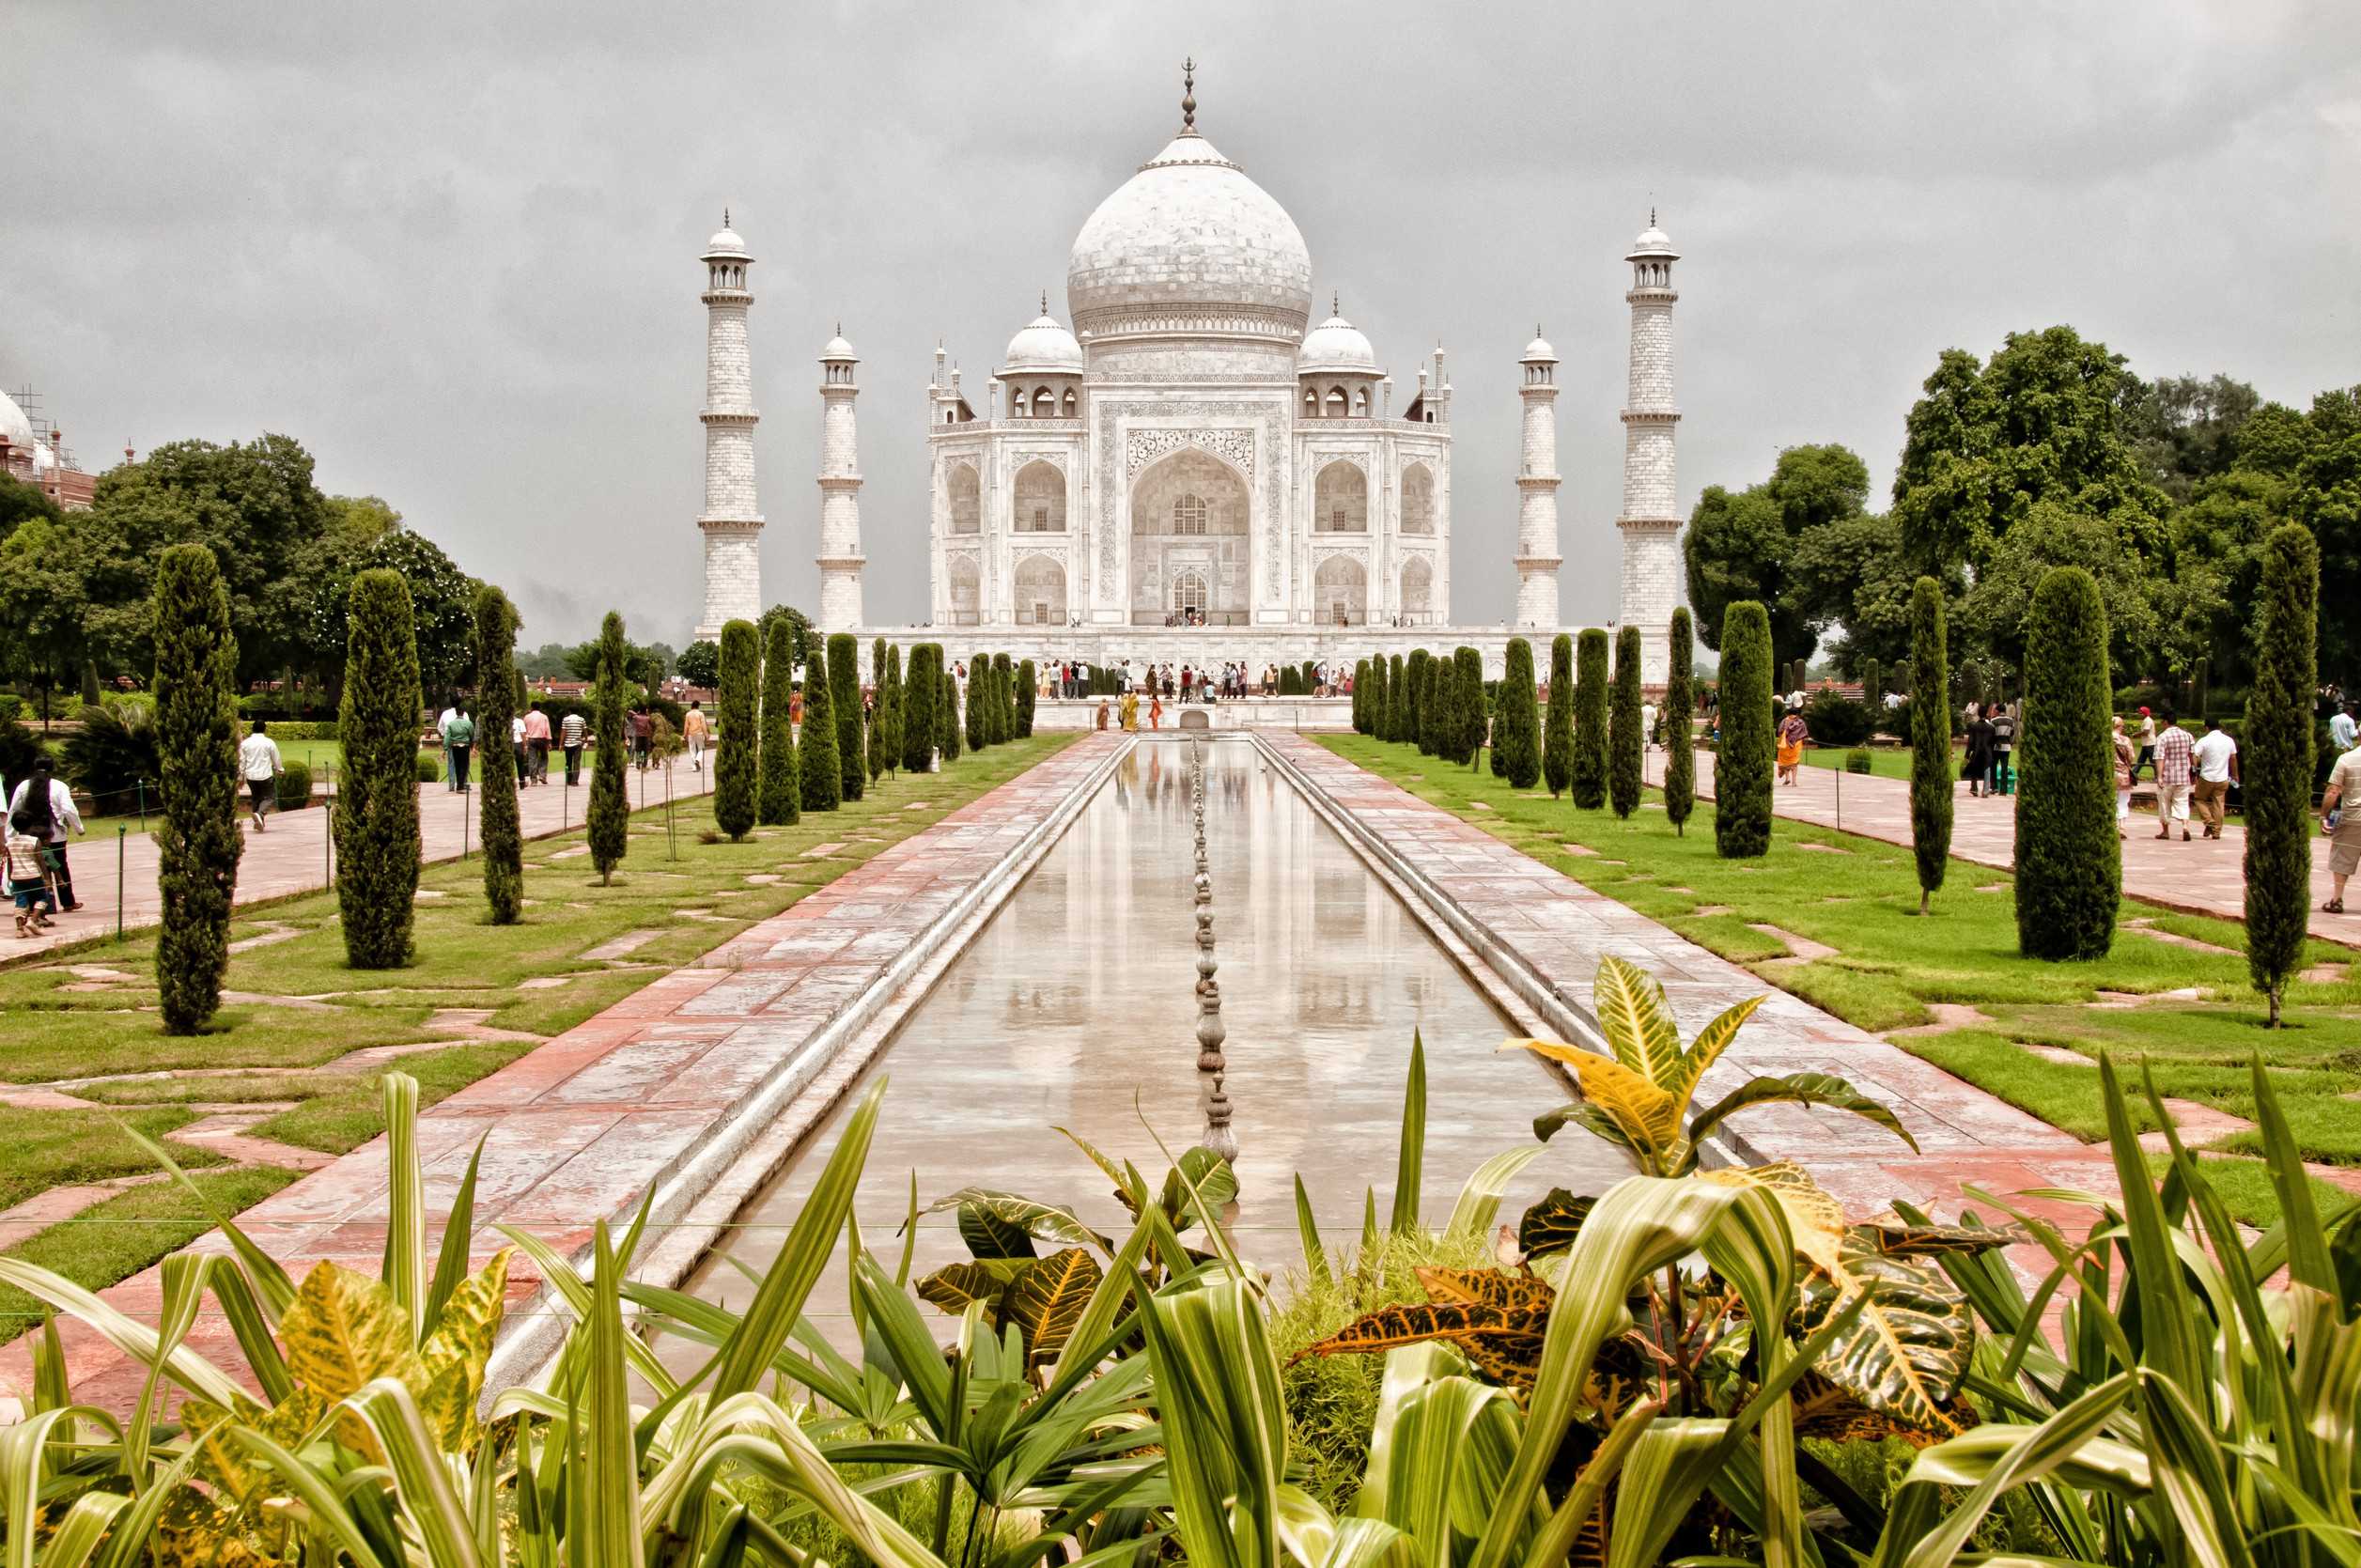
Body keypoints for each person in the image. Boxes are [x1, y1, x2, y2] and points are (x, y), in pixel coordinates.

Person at [8, 758, 83, 911]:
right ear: (52, 768)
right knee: (61, 867)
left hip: (31, 835)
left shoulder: (24, 786)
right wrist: (79, 828)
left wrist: (10, 835)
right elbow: (69, 809)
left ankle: (44, 905)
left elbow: (14, 810)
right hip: (55, 835)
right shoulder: (60, 786)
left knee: (38, 870)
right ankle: (68, 902)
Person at [2323, 739, 2361, 913]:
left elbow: (2333, 791)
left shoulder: (2346, 759)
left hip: (2352, 816)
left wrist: (2325, 815)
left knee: (2342, 858)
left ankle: (2337, 899)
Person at [6, 810, 56, 938]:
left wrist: (11, 876)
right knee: (43, 897)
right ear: (31, 826)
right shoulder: (34, 841)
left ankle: (19, 929)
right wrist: (46, 878)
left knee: (20, 901)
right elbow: (40, 861)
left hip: (17, 877)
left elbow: (10, 862)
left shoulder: (10, 842)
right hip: (33, 875)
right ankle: (32, 921)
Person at [2191, 716, 2239, 839]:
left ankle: (2209, 822)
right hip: (2223, 778)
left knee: (2199, 799)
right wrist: (2235, 775)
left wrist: (2194, 770)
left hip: (2207, 776)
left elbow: (2194, 756)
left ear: (2206, 727)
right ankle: (2216, 831)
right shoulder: (2229, 740)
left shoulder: (2204, 740)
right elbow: (2233, 758)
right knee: (2219, 804)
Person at [2151, 706, 2194, 841]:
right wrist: (2193, 771)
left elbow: (2160, 757)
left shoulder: (2163, 737)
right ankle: (2185, 827)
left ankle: (2165, 831)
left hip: (2168, 776)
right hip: (2183, 776)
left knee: (2164, 803)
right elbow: (2192, 755)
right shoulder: (2187, 736)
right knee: (2183, 802)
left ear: (2165, 722)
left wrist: (2159, 776)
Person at [238, 719, 283, 833]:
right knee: (270, 797)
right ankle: (260, 814)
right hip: (265, 775)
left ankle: (259, 823)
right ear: (264, 729)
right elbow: (275, 758)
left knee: (256, 798)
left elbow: (242, 760)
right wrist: (280, 769)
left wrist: (240, 774)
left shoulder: (245, 743)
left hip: (251, 776)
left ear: (252, 729)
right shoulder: (269, 742)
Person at [2111, 715, 2138, 839]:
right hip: (2124, 774)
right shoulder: (2125, 740)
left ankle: (2113, 825)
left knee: (2111, 800)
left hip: (2110, 773)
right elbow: (2131, 757)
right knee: (2123, 800)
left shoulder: (2106, 739)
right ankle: (2122, 826)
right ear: (2120, 726)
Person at [1964, 704, 1996, 798]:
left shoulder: (1974, 726)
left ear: (1978, 713)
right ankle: (1985, 791)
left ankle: (1974, 788)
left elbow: (1971, 742)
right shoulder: (1991, 728)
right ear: (1986, 714)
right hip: (1987, 752)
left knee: (1974, 768)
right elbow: (1993, 742)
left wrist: (1967, 754)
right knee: (1987, 770)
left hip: (1977, 751)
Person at [1990, 701, 2017, 796]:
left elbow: (1991, 735)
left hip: (1996, 747)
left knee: (1993, 766)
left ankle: (1994, 788)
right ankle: (2003, 790)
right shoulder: (2011, 721)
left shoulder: (1993, 721)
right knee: (2004, 768)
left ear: (1998, 711)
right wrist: (2011, 743)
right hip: (2007, 746)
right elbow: (2012, 734)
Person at [445, 705, 474, 792]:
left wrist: (445, 747)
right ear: (463, 713)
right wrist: (472, 746)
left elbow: (447, 737)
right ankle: (461, 786)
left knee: (457, 765)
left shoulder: (451, 724)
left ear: (456, 713)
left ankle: (459, 784)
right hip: (464, 746)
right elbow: (471, 735)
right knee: (464, 765)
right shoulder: (468, 723)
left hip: (455, 746)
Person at [1776, 710, 1809, 786]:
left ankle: (1787, 778)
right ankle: (1794, 782)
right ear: (1796, 714)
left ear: (1788, 714)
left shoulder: (1784, 721)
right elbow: (1804, 732)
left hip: (1785, 744)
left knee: (1785, 762)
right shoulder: (1800, 722)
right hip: (1796, 744)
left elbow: (1779, 731)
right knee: (1794, 763)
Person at [436, 699, 462, 789]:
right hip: (462, 741)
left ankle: (451, 785)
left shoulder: (445, 713)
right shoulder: (464, 713)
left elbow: (440, 727)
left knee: (451, 763)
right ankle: (461, 785)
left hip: (451, 741)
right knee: (462, 763)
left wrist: (445, 735)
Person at [523, 703, 551, 784]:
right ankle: (542, 775)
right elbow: (547, 729)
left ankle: (533, 779)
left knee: (532, 759)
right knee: (544, 757)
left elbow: (524, 730)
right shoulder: (544, 716)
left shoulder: (527, 717)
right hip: (542, 739)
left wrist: (525, 741)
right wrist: (549, 741)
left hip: (531, 739)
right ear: (539, 707)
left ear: (531, 707)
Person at [559, 707, 586, 786]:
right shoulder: (581, 719)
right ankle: (575, 781)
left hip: (568, 744)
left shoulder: (566, 719)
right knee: (576, 762)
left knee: (568, 762)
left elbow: (563, 732)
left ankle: (568, 780)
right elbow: (585, 730)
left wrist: (561, 744)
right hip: (577, 743)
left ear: (569, 711)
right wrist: (586, 739)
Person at [682, 701, 708, 772]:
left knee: (692, 750)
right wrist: (706, 734)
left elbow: (686, 726)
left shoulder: (688, 714)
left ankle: (694, 767)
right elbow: (703, 725)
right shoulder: (700, 714)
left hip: (691, 734)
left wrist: (685, 734)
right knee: (701, 749)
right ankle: (698, 760)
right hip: (699, 733)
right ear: (698, 706)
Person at [2135, 706, 2158, 782]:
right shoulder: (2146, 720)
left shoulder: (2147, 720)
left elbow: (2146, 732)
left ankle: (2157, 776)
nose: (2139, 714)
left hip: (2150, 744)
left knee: (2153, 761)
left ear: (2145, 713)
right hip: (2146, 743)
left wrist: (2136, 734)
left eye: (2141, 713)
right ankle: (2133, 774)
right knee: (2141, 760)